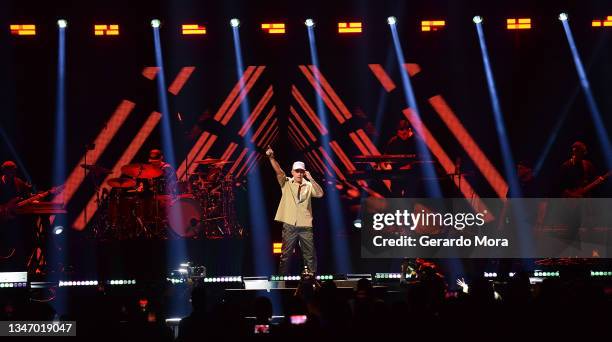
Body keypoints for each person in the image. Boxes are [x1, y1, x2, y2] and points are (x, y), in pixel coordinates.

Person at [266, 146, 324, 275]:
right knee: (285, 255)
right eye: (297, 171)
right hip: (290, 225)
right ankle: (282, 281)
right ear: (292, 172)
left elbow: (320, 194)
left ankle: (311, 280)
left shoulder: (309, 185)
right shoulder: (286, 183)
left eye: (301, 171)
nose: (299, 174)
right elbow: (279, 171)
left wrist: (311, 178)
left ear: (304, 172)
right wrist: (271, 158)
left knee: (309, 256)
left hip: (305, 225)